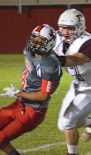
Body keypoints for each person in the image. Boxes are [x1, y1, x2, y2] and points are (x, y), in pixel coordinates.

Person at [53, 9, 91, 155]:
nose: (65, 32)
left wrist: (56, 60)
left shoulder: (89, 42)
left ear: (80, 27)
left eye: (70, 28)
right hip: (77, 85)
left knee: (68, 121)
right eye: (62, 27)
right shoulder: (57, 38)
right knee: (62, 125)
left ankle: (72, 153)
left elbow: (77, 59)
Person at [0, 24, 62, 155]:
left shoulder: (49, 64)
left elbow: (43, 96)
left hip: (33, 111)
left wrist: (18, 92)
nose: (35, 43)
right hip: (20, 103)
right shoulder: (29, 51)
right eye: (34, 38)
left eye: (40, 41)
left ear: (50, 43)